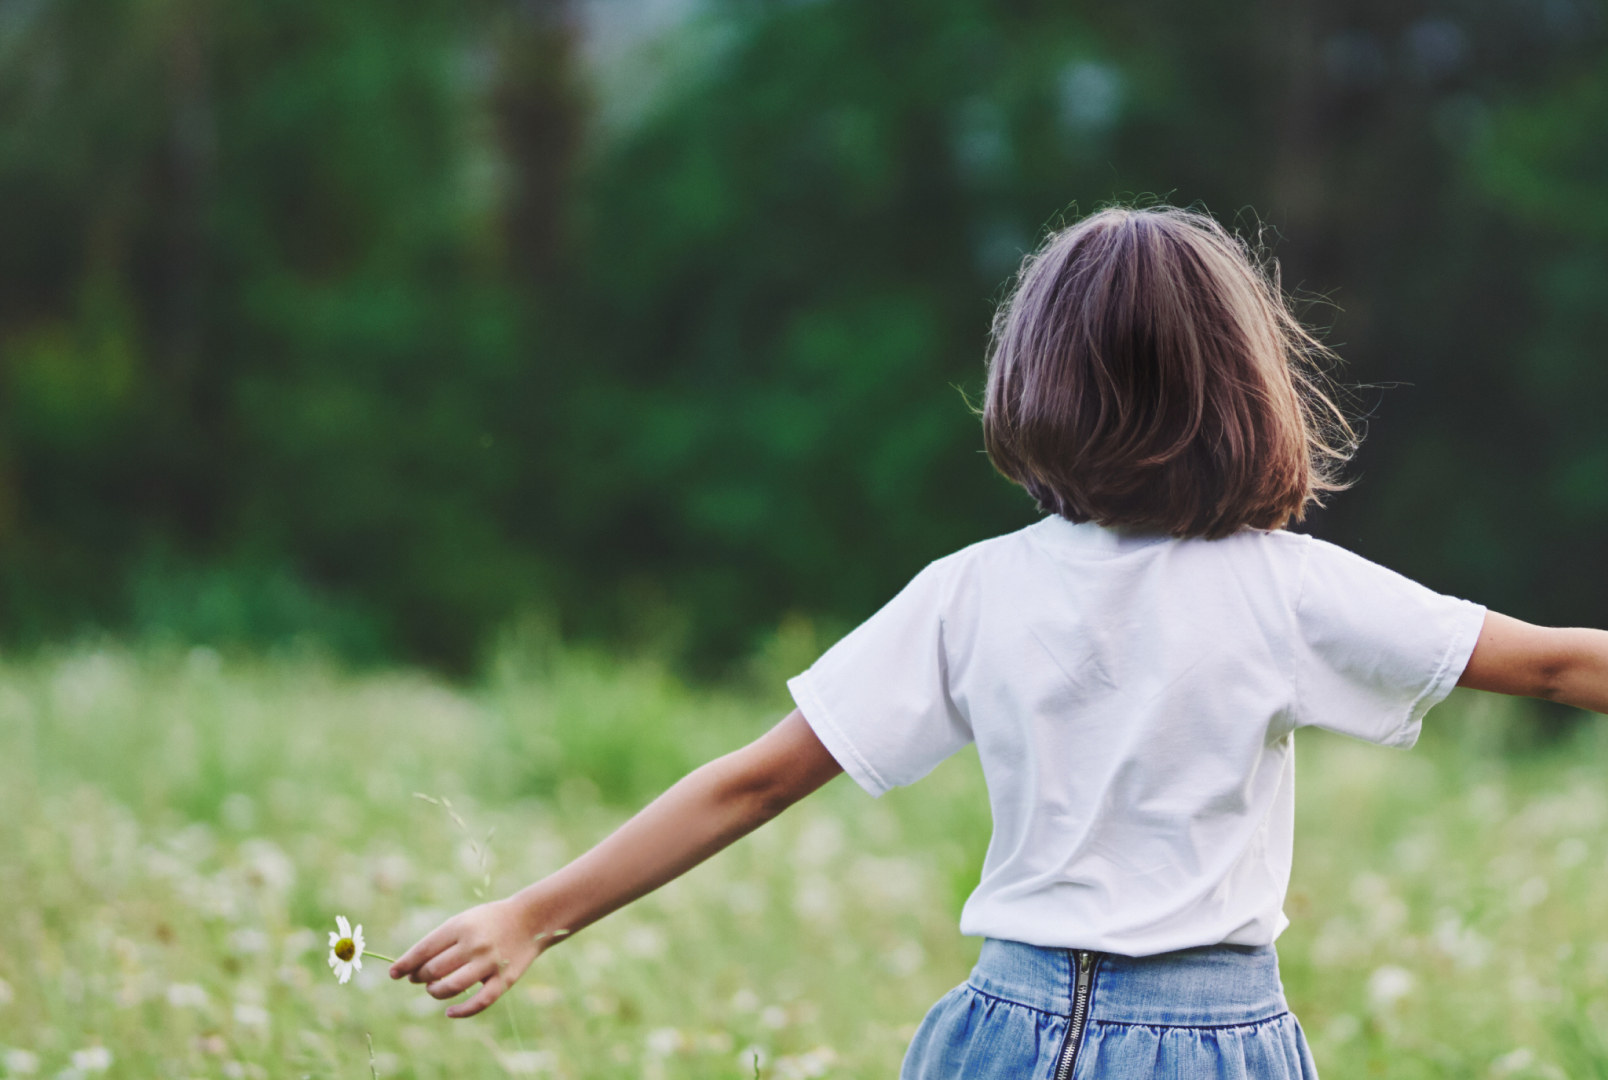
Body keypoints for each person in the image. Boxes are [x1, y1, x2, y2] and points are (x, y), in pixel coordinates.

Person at [386, 206, 1608, 1077]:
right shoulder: (1288, 591)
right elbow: (1559, 662)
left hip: (1004, 1033)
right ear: (1243, 391)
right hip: (1212, 1040)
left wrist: (533, 914)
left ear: (1035, 382)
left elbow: (754, 780)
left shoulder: (973, 591)